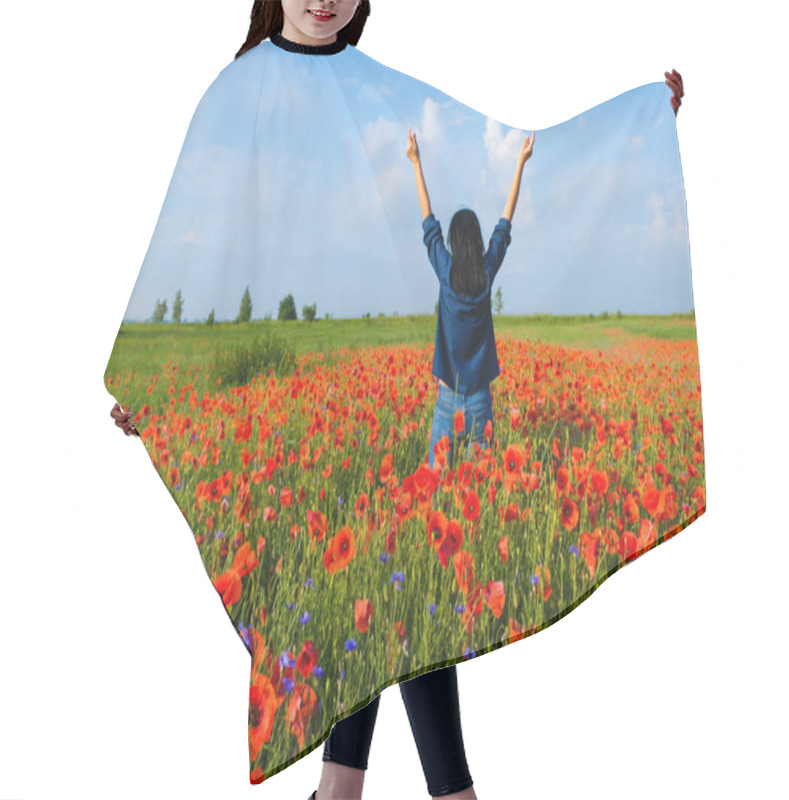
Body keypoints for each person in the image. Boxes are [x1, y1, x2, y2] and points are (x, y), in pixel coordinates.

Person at [108, 3, 686, 799]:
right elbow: (213, 249)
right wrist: (159, 397)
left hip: (446, 411)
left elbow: (420, 207)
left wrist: (641, 120)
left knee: (405, 595)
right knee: (408, 593)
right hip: (465, 412)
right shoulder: (236, 92)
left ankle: (356, 790)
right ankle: (409, 790)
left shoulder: (379, 106)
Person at [408, 125, 534, 476]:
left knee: (435, 484)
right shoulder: (486, 272)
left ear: (451, 240)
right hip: (480, 399)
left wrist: (416, 162)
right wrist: (520, 162)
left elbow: (427, 221)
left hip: (448, 399)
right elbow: (504, 226)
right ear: (476, 240)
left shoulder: (445, 271)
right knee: (479, 485)